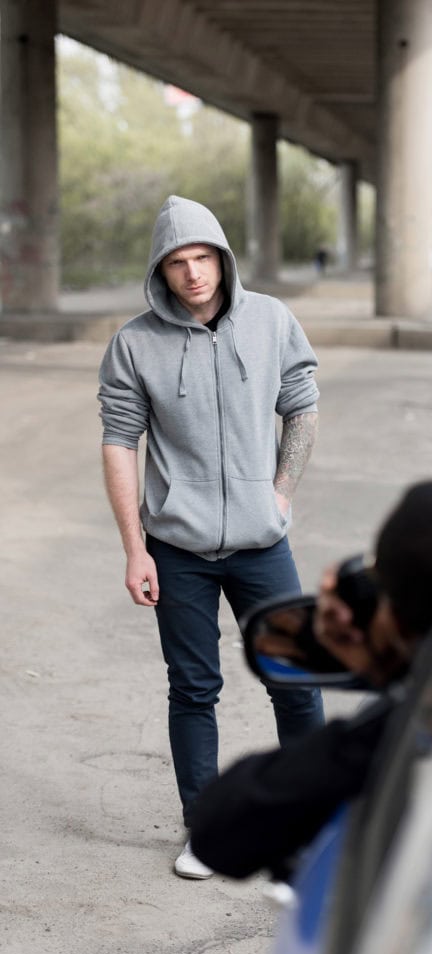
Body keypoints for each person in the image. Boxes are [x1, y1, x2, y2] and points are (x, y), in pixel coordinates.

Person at [97, 194, 325, 880]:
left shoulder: (271, 321)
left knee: (295, 678)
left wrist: (279, 493)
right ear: (160, 272)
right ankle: (206, 831)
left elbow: (302, 407)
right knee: (193, 687)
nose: (193, 273)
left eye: (202, 257)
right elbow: (119, 443)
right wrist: (135, 547)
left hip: (263, 543)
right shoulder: (135, 343)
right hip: (177, 549)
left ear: (222, 258)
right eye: (176, 263)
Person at [190, 480, 432, 881]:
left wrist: (382, 665)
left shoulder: (392, 743)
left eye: (373, 581)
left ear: (394, 619)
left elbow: (220, 829)